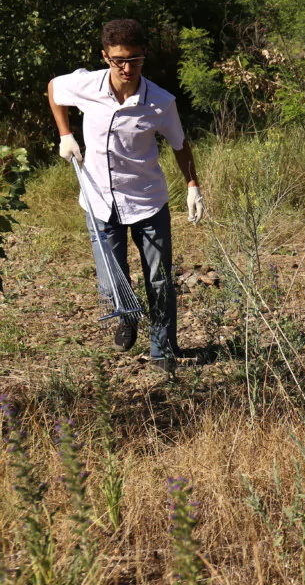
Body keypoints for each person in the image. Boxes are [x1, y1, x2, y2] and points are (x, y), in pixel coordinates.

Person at [48, 19, 205, 371]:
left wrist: (193, 185)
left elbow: (180, 145)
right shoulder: (86, 85)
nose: (127, 67)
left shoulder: (160, 103)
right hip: (99, 200)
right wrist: (65, 134)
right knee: (110, 275)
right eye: (119, 59)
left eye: (134, 59)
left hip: (147, 201)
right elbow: (54, 89)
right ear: (105, 56)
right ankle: (127, 316)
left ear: (144, 55)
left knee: (160, 277)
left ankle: (162, 349)